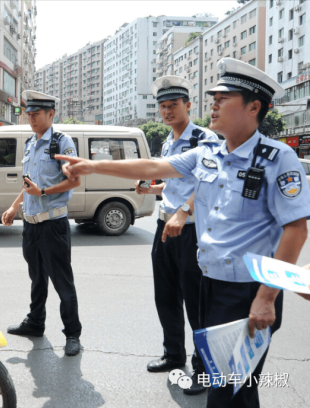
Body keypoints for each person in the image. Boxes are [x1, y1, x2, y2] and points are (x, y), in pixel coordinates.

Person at [58, 58, 310, 407]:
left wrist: (266, 298)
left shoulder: (277, 158)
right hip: (210, 283)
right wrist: (92, 165)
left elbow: (296, 230)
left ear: (254, 107)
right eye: (213, 97)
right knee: (232, 389)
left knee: (229, 391)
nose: (214, 104)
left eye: (224, 98)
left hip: (247, 290)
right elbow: (153, 166)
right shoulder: (209, 153)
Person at [141, 76, 218, 395]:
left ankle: (204, 369)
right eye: (162, 106)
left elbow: (208, 183)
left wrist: (184, 210)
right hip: (164, 228)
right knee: (166, 295)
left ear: (189, 105)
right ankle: (174, 355)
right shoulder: (167, 143)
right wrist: (153, 188)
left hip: (192, 231)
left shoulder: (205, 138)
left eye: (173, 105)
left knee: (196, 302)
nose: (167, 111)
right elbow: (175, 185)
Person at [1, 90, 82, 356]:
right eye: (29, 115)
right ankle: (35, 323)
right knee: (36, 278)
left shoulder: (62, 142)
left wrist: (44, 193)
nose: (32, 119)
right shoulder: (30, 144)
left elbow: (74, 181)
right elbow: (28, 184)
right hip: (31, 225)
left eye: (36, 115)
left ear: (51, 114)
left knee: (62, 282)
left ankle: (72, 334)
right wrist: (14, 207)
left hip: (53, 225)